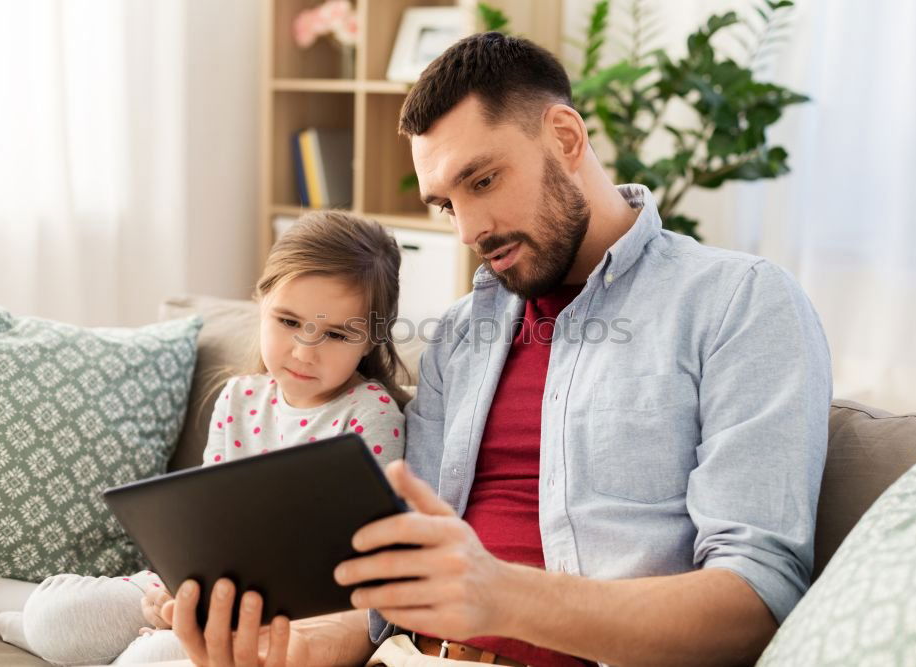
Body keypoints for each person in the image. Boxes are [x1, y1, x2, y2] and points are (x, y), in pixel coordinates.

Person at [168, 32, 833, 667]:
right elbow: (403, 579)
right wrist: (307, 646)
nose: (467, 230)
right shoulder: (461, 333)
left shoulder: (737, 301)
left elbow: (757, 600)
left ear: (566, 137)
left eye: (481, 181)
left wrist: (507, 596)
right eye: (445, 205)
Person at [0, 211, 409, 666]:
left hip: (287, 618)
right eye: (289, 322)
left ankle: (113, 649)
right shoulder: (238, 397)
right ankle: (44, 630)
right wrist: (175, 591)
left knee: (149, 660)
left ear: (370, 340)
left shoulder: (371, 415)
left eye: (334, 334)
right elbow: (209, 528)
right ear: (261, 301)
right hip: (203, 591)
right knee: (57, 615)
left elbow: (360, 564)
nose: (303, 351)